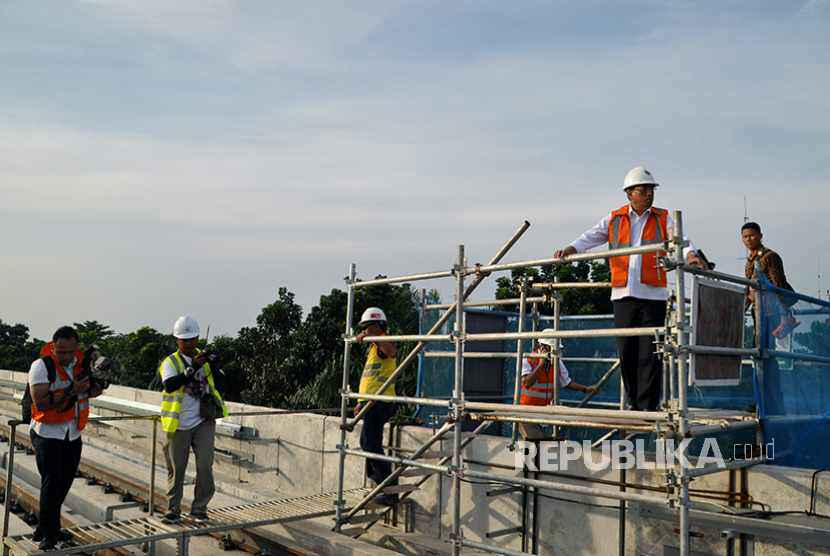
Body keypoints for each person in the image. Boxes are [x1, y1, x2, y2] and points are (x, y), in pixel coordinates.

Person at [554, 166, 703, 411]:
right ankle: (634, 402)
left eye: (651, 190)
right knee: (627, 352)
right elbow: (591, 236)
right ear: (629, 193)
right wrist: (571, 248)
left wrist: (691, 256)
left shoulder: (663, 217)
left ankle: (648, 405)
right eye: (643, 190)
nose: (649, 194)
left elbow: (682, 240)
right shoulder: (614, 218)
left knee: (651, 353)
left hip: (653, 295)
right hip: (623, 294)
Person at [28, 326, 106, 551]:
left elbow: (90, 392)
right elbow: (41, 402)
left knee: (64, 483)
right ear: (53, 346)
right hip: (47, 434)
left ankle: (45, 528)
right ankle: (50, 535)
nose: (64, 356)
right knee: (51, 484)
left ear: (76, 349)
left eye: (69, 352)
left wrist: (97, 384)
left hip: (72, 433)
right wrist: (73, 390)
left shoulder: (81, 365)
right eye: (60, 351)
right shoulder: (41, 367)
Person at [158, 315, 228, 524]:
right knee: (177, 468)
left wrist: (215, 364)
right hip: (179, 423)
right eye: (184, 340)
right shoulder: (170, 362)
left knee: (205, 466)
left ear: (198, 338)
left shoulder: (203, 359)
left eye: (192, 339)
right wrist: (192, 368)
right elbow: (170, 385)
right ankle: (173, 509)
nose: (188, 343)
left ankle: (199, 508)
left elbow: (221, 381)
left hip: (203, 420)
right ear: (177, 340)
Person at [352, 307, 398, 505]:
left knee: (371, 444)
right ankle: (380, 482)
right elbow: (369, 378)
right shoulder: (373, 347)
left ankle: (389, 489)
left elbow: (392, 350)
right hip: (369, 402)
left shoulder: (383, 342)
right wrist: (359, 402)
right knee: (367, 443)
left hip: (381, 401)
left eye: (369, 326)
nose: (366, 331)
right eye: (364, 327)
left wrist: (374, 335)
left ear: (379, 326)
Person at [518, 330, 597, 440]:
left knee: (550, 443)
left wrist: (585, 389)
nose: (555, 352)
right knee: (536, 442)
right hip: (526, 412)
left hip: (544, 412)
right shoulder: (528, 359)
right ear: (542, 347)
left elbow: (566, 382)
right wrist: (541, 363)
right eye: (552, 348)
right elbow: (526, 383)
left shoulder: (556, 362)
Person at [741, 221, 799, 338]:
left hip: (770, 308)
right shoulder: (750, 260)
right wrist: (742, 308)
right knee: (758, 341)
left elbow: (779, 284)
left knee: (766, 343)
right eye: (745, 237)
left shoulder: (770, 256)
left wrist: (784, 312)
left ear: (760, 236)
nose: (749, 239)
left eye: (752, 235)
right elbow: (749, 287)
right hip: (757, 306)